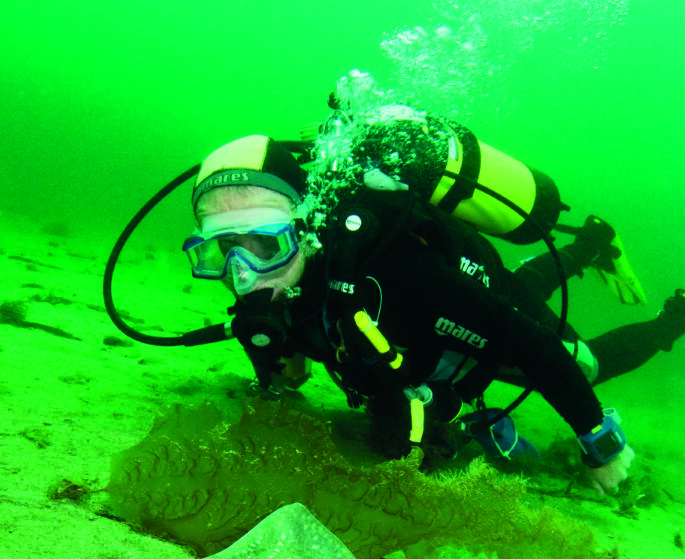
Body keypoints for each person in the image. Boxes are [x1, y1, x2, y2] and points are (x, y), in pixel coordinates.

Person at [182, 129, 685, 495]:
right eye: (221, 251)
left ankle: (674, 317)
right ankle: (591, 246)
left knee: (580, 364)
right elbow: (293, 361)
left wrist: (599, 442)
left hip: (461, 306)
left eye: (265, 247)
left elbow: (530, 345)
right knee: (513, 295)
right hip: (436, 323)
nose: (244, 274)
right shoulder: (276, 292)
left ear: (305, 229)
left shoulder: (399, 276)